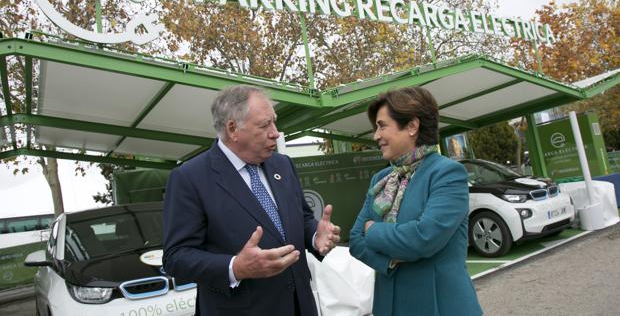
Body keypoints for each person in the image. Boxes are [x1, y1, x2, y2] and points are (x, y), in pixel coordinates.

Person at [163, 85, 341, 316]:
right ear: (233, 129)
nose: (275, 133)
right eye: (265, 124)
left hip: (300, 306)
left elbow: (301, 217)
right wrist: (235, 267)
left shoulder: (283, 165)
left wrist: (316, 236)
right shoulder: (190, 178)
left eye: (274, 122)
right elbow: (176, 257)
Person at [349, 87, 482, 316]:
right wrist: (390, 260)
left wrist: (373, 231)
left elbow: (424, 237)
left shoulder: (447, 173)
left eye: (382, 126)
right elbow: (354, 240)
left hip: (439, 307)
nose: (376, 136)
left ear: (412, 126)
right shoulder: (381, 179)